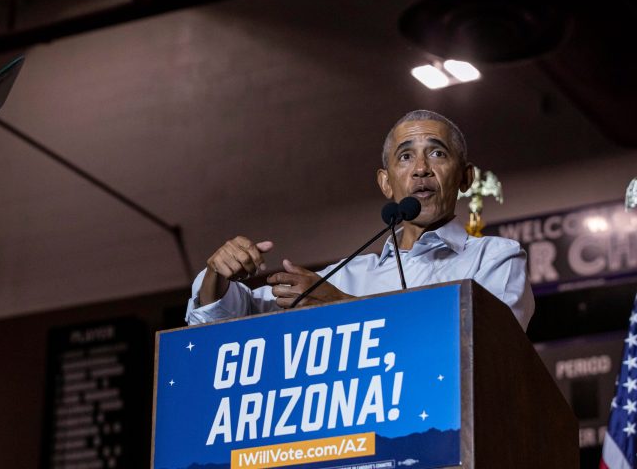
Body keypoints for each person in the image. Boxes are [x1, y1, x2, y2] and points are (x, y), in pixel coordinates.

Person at [185, 110, 534, 330]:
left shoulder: (495, 257)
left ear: (465, 178)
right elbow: (226, 320)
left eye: (438, 154)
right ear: (386, 183)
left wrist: (343, 306)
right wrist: (218, 274)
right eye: (406, 157)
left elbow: (485, 342)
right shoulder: (350, 273)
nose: (421, 169)